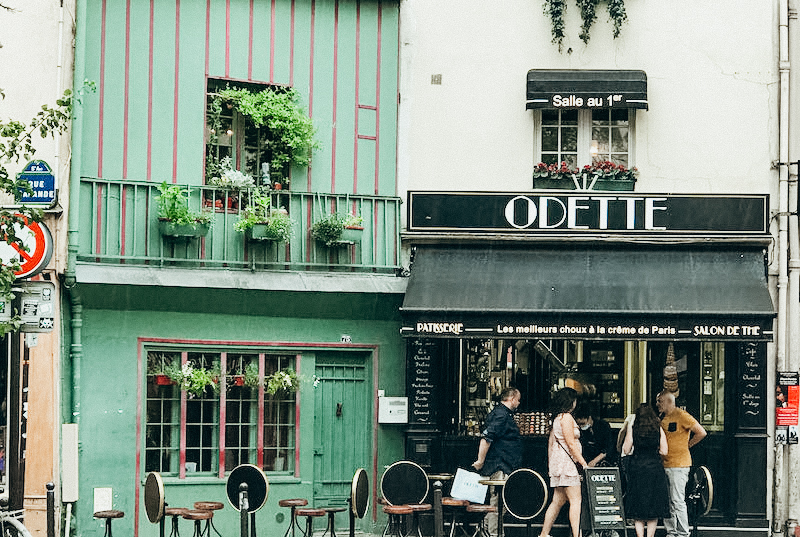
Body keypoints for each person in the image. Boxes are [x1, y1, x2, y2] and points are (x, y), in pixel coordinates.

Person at [656, 391, 707, 537]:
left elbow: (701, 432)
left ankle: (683, 532)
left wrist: (687, 445)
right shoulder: (662, 417)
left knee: (677, 500)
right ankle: (671, 531)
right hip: (664, 463)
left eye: (660, 401)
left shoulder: (682, 415)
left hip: (678, 464)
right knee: (668, 500)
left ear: (669, 402)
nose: (658, 404)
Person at [473, 387, 523, 537]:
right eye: (518, 399)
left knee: (500, 503)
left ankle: (485, 529)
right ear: (512, 398)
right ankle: (492, 533)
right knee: (498, 504)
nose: (519, 403)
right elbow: (486, 438)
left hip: (504, 464)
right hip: (500, 465)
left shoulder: (500, 413)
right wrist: (480, 461)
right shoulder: (501, 415)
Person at [539, 387, 588, 537]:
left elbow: (551, 443)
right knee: (576, 501)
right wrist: (583, 463)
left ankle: (544, 534)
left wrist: (551, 465)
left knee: (557, 501)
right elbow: (571, 443)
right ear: (570, 402)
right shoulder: (566, 417)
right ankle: (576, 534)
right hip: (568, 465)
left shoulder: (557, 419)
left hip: (559, 464)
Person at [621, 403, 671, 537]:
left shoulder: (634, 428)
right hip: (654, 468)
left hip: (637, 468)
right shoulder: (658, 429)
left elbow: (625, 449)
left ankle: (640, 535)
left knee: (638, 505)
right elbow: (664, 450)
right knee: (653, 506)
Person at [574, 400, 615, 467]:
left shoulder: (603, 426)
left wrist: (594, 461)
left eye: (582, 424)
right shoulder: (580, 431)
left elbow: (608, 448)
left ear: (589, 418)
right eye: (579, 424)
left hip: (602, 462)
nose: (581, 426)